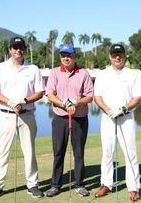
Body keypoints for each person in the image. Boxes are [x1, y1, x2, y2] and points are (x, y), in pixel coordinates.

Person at [0, 37, 45, 199]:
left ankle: (32, 185)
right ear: (9, 50)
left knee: (29, 151)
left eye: (21, 47)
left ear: (24, 50)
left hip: (27, 115)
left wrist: (24, 101)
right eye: (15, 47)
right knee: (3, 152)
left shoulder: (32, 68)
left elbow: (40, 92)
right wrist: (10, 102)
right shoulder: (0, 68)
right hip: (6, 115)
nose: (18, 50)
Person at [94, 44, 141, 201]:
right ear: (110, 56)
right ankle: (106, 184)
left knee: (130, 153)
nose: (117, 57)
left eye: (120, 54)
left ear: (125, 55)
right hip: (108, 118)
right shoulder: (103, 74)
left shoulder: (132, 74)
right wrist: (108, 110)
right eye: (114, 54)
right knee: (107, 153)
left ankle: (133, 187)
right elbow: (97, 97)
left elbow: (138, 98)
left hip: (126, 117)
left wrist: (123, 109)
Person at [45, 43, 94, 197]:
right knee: (58, 152)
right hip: (60, 118)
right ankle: (55, 185)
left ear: (75, 57)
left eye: (69, 55)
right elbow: (50, 94)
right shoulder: (54, 72)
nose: (66, 58)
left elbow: (90, 96)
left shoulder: (83, 73)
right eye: (63, 55)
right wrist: (64, 103)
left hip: (79, 119)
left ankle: (80, 184)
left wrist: (76, 102)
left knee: (78, 153)